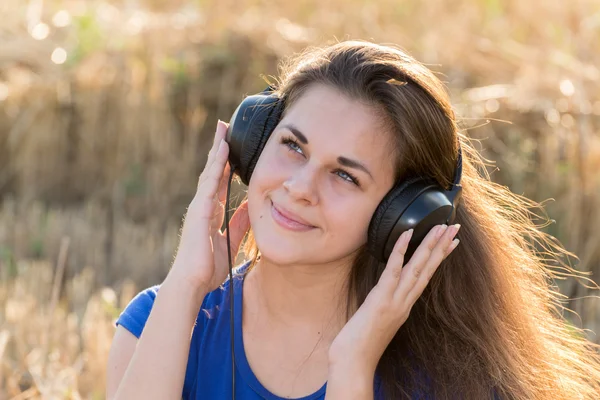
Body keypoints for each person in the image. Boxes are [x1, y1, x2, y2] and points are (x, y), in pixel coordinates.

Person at [106, 40, 600, 399]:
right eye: (292, 146)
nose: (299, 188)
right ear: (252, 143)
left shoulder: (456, 381)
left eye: (344, 176)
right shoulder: (159, 324)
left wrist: (351, 372)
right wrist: (185, 285)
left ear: (405, 217)